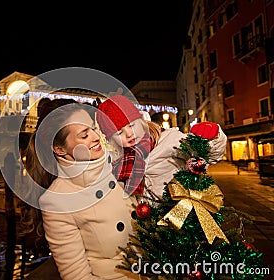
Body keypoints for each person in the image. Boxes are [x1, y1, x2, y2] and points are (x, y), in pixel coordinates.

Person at [23, 98, 139, 280]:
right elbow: (77, 276)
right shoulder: (57, 201)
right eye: (84, 135)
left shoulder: (123, 164)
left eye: (93, 128)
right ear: (60, 149)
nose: (95, 137)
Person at [96, 94, 227, 200]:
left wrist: (213, 137)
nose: (129, 134)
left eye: (132, 125)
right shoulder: (120, 162)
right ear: (111, 138)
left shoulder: (169, 140)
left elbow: (206, 154)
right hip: (151, 226)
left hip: (182, 214)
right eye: (119, 133)